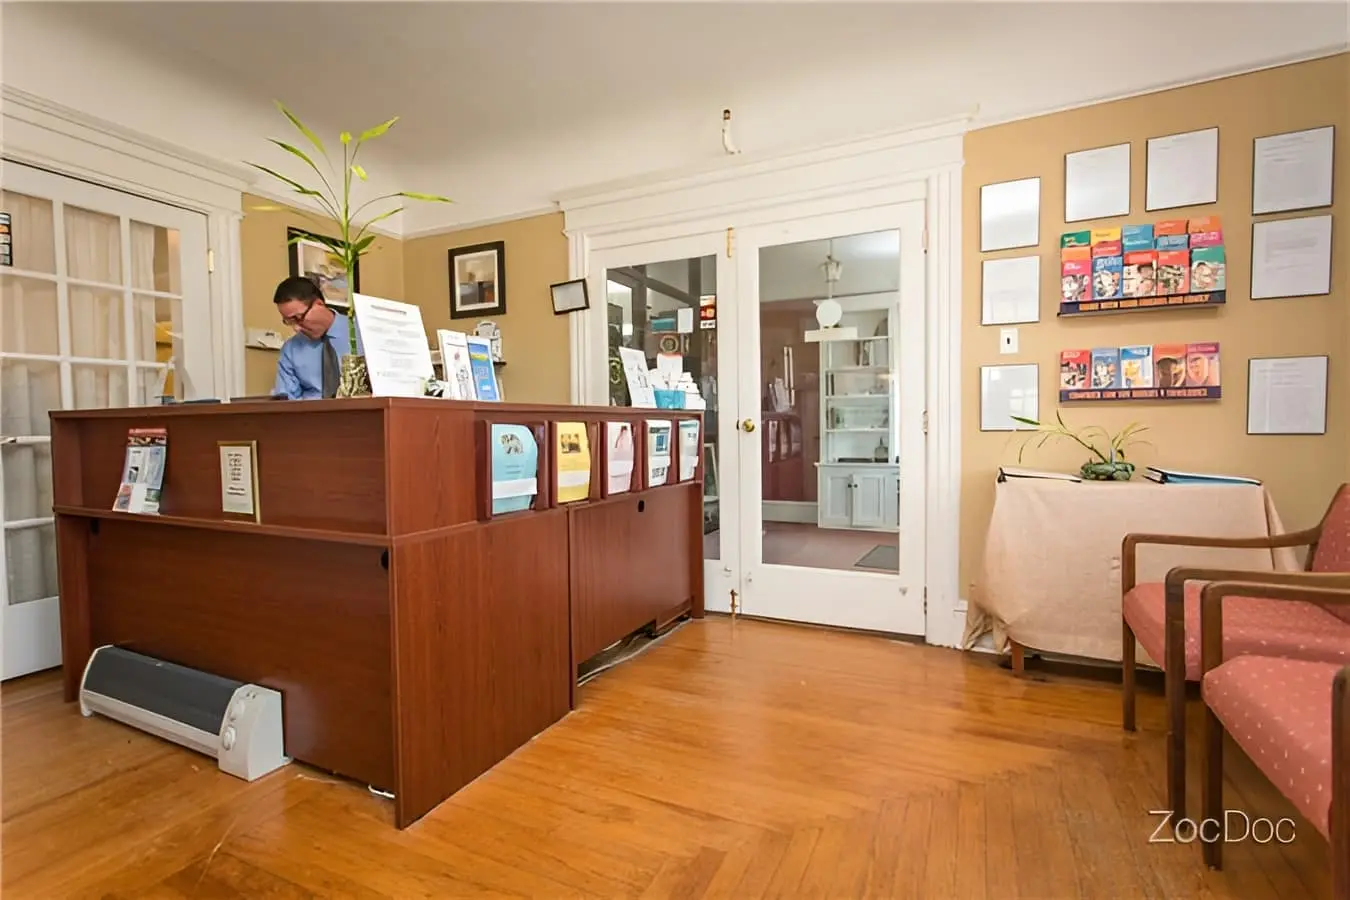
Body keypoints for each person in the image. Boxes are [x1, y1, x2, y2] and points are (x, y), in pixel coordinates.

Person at [271, 276, 362, 399]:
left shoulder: (362, 333)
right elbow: (286, 401)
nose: (296, 328)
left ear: (319, 304)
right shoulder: (291, 349)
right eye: (288, 321)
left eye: (298, 318)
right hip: (309, 416)